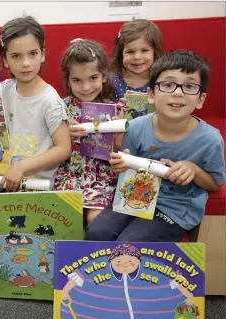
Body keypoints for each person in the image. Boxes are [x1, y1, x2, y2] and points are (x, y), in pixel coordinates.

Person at [86, 50, 225, 242]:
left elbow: (215, 183)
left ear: (200, 99)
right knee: (97, 232)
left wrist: (193, 170)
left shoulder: (210, 139)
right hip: (134, 197)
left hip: (176, 207)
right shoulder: (134, 127)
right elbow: (125, 173)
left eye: (189, 86)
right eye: (168, 84)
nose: (177, 92)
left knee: (130, 243)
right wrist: (121, 166)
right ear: (151, 94)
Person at [0, 15, 71, 193]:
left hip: (36, 183)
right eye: (16, 56)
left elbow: (63, 148)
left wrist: (22, 167)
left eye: (33, 54)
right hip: (2, 174)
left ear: (42, 54)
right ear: (5, 60)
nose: (26, 63)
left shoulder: (51, 101)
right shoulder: (3, 89)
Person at [53, 39, 123, 225]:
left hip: (102, 179)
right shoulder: (60, 107)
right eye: (77, 80)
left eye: (93, 78)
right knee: (63, 220)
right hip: (69, 176)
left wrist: (119, 134)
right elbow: (49, 143)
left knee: (95, 219)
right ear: (68, 80)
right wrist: (64, 135)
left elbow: (122, 150)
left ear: (104, 76)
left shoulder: (116, 109)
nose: (85, 88)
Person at [111, 19, 163, 101]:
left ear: (155, 51)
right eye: (130, 51)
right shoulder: (111, 81)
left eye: (144, 50)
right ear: (121, 54)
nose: (137, 57)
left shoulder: (162, 80)